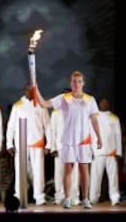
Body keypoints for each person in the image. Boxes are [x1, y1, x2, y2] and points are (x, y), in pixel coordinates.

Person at [35, 71, 103, 209]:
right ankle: (67, 198)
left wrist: (99, 138)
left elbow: (95, 121)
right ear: (70, 82)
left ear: (83, 83)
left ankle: (85, 198)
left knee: (84, 170)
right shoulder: (64, 98)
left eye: (79, 81)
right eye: (73, 81)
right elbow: (43, 104)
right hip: (68, 140)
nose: (76, 84)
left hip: (84, 140)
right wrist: (35, 89)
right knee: (68, 170)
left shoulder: (90, 100)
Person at [6, 83, 51, 206]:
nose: (28, 91)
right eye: (26, 89)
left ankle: (39, 197)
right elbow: (11, 126)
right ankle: (20, 196)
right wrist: (9, 144)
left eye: (31, 90)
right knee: (21, 171)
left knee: (38, 171)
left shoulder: (41, 105)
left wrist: (49, 144)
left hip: (37, 143)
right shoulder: (17, 106)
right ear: (23, 90)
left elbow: (47, 125)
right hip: (21, 144)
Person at [50, 88, 81, 205]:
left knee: (74, 173)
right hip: (60, 147)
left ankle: (74, 197)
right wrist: (53, 147)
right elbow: (52, 130)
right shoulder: (56, 112)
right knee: (59, 174)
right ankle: (59, 196)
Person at [89, 98, 122, 206]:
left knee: (113, 177)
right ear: (99, 104)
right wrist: (90, 150)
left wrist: (118, 152)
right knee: (95, 177)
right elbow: (90, 135)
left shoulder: (114, 118)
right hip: (97, 152)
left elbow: (118, 136)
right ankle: (93, 198)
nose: (104, 104)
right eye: (102, 102)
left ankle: (115, 198)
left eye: (106, 102)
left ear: (109, 104)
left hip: (111, 152)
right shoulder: (93, 117)